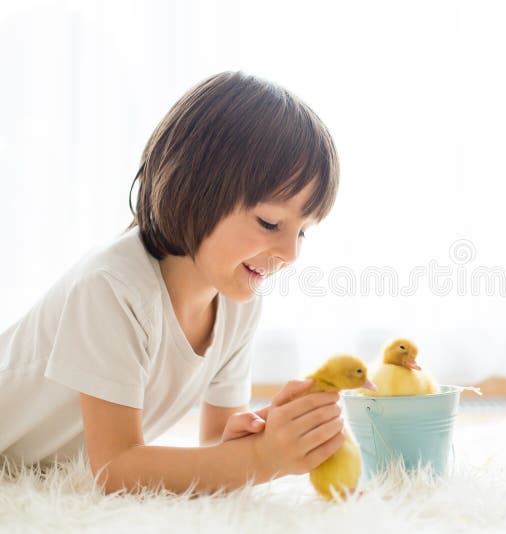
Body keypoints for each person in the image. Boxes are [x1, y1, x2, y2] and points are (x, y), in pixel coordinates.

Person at [0, 71, 345, 493]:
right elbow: (116, 469)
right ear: (198, 188)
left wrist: (264, 433)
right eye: (270, 222)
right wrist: (258, 459)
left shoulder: (239, 302)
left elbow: (216, 448)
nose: (291, 253)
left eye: (303, 231)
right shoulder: (113, 287)